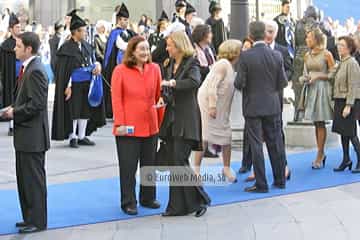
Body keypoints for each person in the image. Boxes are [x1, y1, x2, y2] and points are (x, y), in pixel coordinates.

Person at [2, 32, 50, 234]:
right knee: (24, 180)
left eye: (18, 46)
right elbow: (25, 99)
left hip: (33, 138)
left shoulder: (36, 70)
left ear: (29, 49)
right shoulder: (27, 68)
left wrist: (15, 112)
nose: (14, 49)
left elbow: (37, 105)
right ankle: (29, 217)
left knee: (33, 181)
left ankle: (38, 221)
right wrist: (12, 107)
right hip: (25, 137)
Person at [160, 31, 210, 217]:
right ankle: (176, 207)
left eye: (169, 45)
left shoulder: (192, 62)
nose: (167, 48)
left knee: (179, 161)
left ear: (179, 46)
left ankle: (200, 199)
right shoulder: (170, 64)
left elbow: (194, 82)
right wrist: (163, 98)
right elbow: (169, 92)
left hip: (187, 119)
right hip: (172, 119)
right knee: (175, 162)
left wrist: (173, 83)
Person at [234, 21, 288, 193]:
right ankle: (280, 180)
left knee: (256, 145)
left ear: (250, 36)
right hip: (272, 105)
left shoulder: (246, 56)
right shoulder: (276, 55)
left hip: (253, 107)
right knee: (275, 143)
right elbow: (283, 82)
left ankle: (261, 183)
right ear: (265, 34)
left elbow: (239, 83)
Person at [111, 36, 162, 215]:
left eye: (147, 49)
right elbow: (116, 100)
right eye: (141, 49)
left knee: (149, 164)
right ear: (132, 51)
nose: (145, 52)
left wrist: (159, 120)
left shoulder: (155, 69)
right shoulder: (120, 71)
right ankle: (128, 201)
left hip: (150, 125)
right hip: (128, 128)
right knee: (128, 166)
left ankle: (148, 197)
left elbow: (158, 96)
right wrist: (120, 124)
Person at [51, 10, 105, 148]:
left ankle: (82, 136)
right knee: (74, 111)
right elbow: (65, 70)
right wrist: (67, 86)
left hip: (87, 83)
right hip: (73, 84)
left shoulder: (86, 46)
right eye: (83, 31)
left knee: (85, 110)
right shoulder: (66, 48)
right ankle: (72, 136)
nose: (86, 33)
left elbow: (93, 60)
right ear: (75, 32)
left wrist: (97, 65)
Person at [196, 39, 242, 182]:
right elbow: (212, 86)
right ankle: (196, 169)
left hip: (221, 107)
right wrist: (212, 106)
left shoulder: (230, 66)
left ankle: (226, 167)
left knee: (226, 135)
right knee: (205, 135)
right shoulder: (222, 64)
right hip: (210, 104)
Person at [299, 28, 335, 169]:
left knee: (320, 122)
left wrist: (319, 76)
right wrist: (305, 78)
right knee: (316, 122)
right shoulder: (307, 55)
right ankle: (320, 152)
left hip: (322, 90)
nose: (306, 40)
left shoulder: (327, 54)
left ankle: (320, 154)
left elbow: (333, 74)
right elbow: (304, 73)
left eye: (308, 38)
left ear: (316, 39)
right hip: (311, 90)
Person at [331, 36, 360, 173]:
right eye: (338, 45)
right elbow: (332, 77)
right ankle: (346, 159)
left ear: (349, 48)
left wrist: (349, 105)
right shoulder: (342, 62)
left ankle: (359, 159)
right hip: (339, 99)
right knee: (343, 132)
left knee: (351, 132)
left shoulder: (352, 63)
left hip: (347, 101)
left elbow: (353, 85)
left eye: (342, 45)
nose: (338, 47)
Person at [103, 3, 136, 118]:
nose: (127, 22)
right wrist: (133, 45)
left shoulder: (130, 32)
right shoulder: (115, 33)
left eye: (127, 20)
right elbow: (121, 45)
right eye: (124, 20)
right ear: (119, 20)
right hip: (117, 66)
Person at [191, 24, 218, 159]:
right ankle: (202, 146)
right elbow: (196, 70)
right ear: (203, 35)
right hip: (200, 89)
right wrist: (210, 69)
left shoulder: (208, 49)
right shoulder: (194, 51)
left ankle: (207, 145)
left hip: (210, 88)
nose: (212, 36)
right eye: (210, 33)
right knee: (202, 120)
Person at [292, 6, 320, 121]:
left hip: (298, 54)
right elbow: (316, 41)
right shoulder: (315, 24)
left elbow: (295, 42)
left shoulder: (298, 23)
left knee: (298, 84)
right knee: (311, 83)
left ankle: (298, 112)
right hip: (311, 55)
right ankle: (310, 112)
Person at [0, 13, 21, 136]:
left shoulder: (24, 41)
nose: (19, 29)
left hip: (22, 75)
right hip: (10, 75)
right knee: (11, 99)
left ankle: (19, 123)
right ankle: (11, 126)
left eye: (19, 27)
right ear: (11, 29)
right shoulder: (5, 45)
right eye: (16, 27)